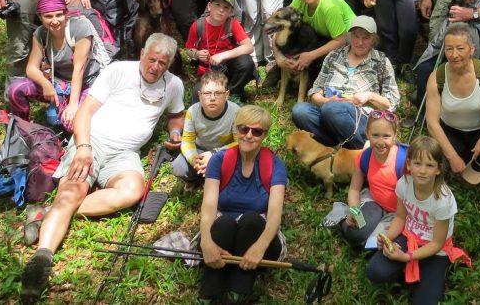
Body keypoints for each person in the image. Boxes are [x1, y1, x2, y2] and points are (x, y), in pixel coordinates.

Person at [19, 34, 185, 304]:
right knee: (70, 193)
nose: (155, 67)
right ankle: (42, 259)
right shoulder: (118, 71)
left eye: (162, 63)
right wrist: (83, 147)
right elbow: (84, 112)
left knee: (132, 192)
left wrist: (176, 132)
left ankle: (47, 213)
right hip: (92, 141)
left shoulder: (174, 85)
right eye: (152, 59)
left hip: (126, 154)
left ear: (170, 64)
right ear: (142, 53)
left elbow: (176, 115)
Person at [366, 135, 470, 305]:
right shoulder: (404, 184)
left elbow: (437, 243)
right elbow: (400, 217)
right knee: (374, 271)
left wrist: (407, 257)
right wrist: (388, 237)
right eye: (417, 163)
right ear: (408, 165)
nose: (422, 171)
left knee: (426, 301)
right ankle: (409, 268)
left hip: (435, 249)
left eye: (430, 165)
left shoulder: (443, 200)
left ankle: (416, 269)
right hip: (409, 236)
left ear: (438, 169)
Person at [199, 105, 288, 302]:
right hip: (222, 233)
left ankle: (238, 293)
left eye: (256, 131)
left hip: (260, 238)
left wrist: (259, 248)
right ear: (236, 129)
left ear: (264, 135)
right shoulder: (219, 160)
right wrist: (206, 243)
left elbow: (274, 217)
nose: (248, 135)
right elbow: (209, 207)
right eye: (243, 129)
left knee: (251, 220)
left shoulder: (275, 165)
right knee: (224, 223)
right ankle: (208, 293)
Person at [5, 0, 110, 132]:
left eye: (59, 15)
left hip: (86, 83)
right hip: (58, 84)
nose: (54, 21)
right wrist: (45, 84)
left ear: (65, 14)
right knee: (15, 89)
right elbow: (31, 68)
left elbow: (79, 69)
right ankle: (22, 129)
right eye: (48, 16)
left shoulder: (80, 29)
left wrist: (73, 105)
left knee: (71, 123)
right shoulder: (41, 33)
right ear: (40, 17)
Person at [292, 15, 399, 149]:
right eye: (356, 36)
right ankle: (339, 146)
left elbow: (393, 102)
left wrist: (369, 96)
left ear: (374, 40)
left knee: (332, 109)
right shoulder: (334, 56)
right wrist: (326, 101)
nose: (360, 42)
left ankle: (365, 150)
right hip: (327, 112)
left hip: (359, 117)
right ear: (349, 37)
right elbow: (315, 91)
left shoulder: (381, 62)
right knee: (300, 111)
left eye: (366, 37)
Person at [423, 23, 480, 187]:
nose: (454, 55)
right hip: (451, 131)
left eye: (460, 48)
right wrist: (452, 157)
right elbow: (432, 123)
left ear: (472, 49)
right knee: (433, 155)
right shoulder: (436, 77)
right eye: (449, 49)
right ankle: (459, 163)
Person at [340, 110, 409, 250]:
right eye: (375, 135)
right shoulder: (365, 157)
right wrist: (354, 210)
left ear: (395, 136)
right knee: (356, 233)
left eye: (386, 136)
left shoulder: (404, 161)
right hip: (376, 202)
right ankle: (347, 222)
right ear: (367, 133)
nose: (380, 142)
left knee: (379, 244)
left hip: (401, 212)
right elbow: (354, 189)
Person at [279, 0, 355, 74]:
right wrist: (279, 58)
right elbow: (279, 26)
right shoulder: (297, 3)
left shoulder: (329, 8)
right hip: (324, 40)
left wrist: (310, 56)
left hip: (350, 43)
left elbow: (341, 40)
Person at [186, 0, 256, 101]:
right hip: (208, 70)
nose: (221, 10)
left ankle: (233, 94)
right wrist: (197, 54)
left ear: (230, 12)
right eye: (217, 5)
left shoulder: (232, 24)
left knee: (246, 62)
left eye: (226, 7)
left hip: (228, 67)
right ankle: (221, 92)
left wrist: (222, 55)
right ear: (209, 6)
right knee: (198, 96)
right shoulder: (198, 25)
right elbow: (189, 49)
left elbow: (249, 47)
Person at [172, 71, 239, 184]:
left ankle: (219, 176)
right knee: (178, 167)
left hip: (225, 152)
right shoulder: (192, 111)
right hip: (200, 151)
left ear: (227, 95)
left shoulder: (236, 112)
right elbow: (187, 141)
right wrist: (196, 162)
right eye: (207, 93)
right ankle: (200, 176)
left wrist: (214, 155)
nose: (212, 98)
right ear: (199, 95)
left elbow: (240, 142)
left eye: (218, 93)